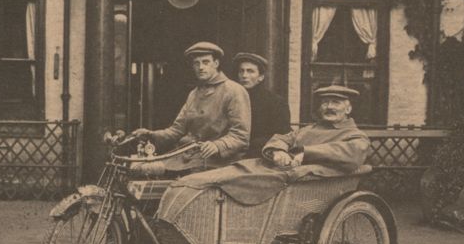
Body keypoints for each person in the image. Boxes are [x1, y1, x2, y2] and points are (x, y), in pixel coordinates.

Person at [157, 85, 370, 222]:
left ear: (348, 109)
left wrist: (305, 153)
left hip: (296, 180)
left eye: (336, 103)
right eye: (325, 102)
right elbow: (283, 138)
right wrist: (277, 151)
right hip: (267, 168)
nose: (329, 107)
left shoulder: (354, 135)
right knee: (213, 177)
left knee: (223, 182)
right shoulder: (308, 129)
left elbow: (350, 153)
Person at [132, 42, 251, 166]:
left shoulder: (234, 90)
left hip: (218, 163)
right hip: (189, 158)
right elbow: (176, 130)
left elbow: (241, 136)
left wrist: (217, 145)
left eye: (206, 62)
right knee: (141, 168)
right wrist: (150, 135)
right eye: (196, 63)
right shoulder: (194, 94)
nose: (201, 67)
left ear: (216, 64)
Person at [233, 52, 291, 158]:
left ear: (261, 77)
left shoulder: (276, 102)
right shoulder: (232, 99)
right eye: (241, 71)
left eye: (250, 71)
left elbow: (282, 136)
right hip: (231, 153)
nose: (244, 75)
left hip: (260, 156)